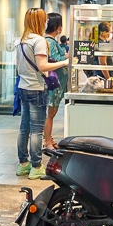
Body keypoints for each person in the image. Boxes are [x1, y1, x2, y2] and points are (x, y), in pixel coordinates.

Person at [16, 8, 70, 179]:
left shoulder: (22, 40)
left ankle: (23, 164)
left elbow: (18, 67)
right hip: (36, 89)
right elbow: (43, 66)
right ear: (39, 21)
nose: (47, 22)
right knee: (37, 130)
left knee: (24, 128)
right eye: (44, 19)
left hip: (23, 87)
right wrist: (63, 63)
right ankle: (36, 166)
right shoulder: (39, 41)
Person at [43, 12, 69, 150]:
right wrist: (66, 60)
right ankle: (47, 140)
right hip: (54, 83)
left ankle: (49, 137)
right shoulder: (50, 41)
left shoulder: (49, 41)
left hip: (55, 82)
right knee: (51, 113)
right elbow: (53, 59)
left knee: (51, 113)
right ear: (57, 27)